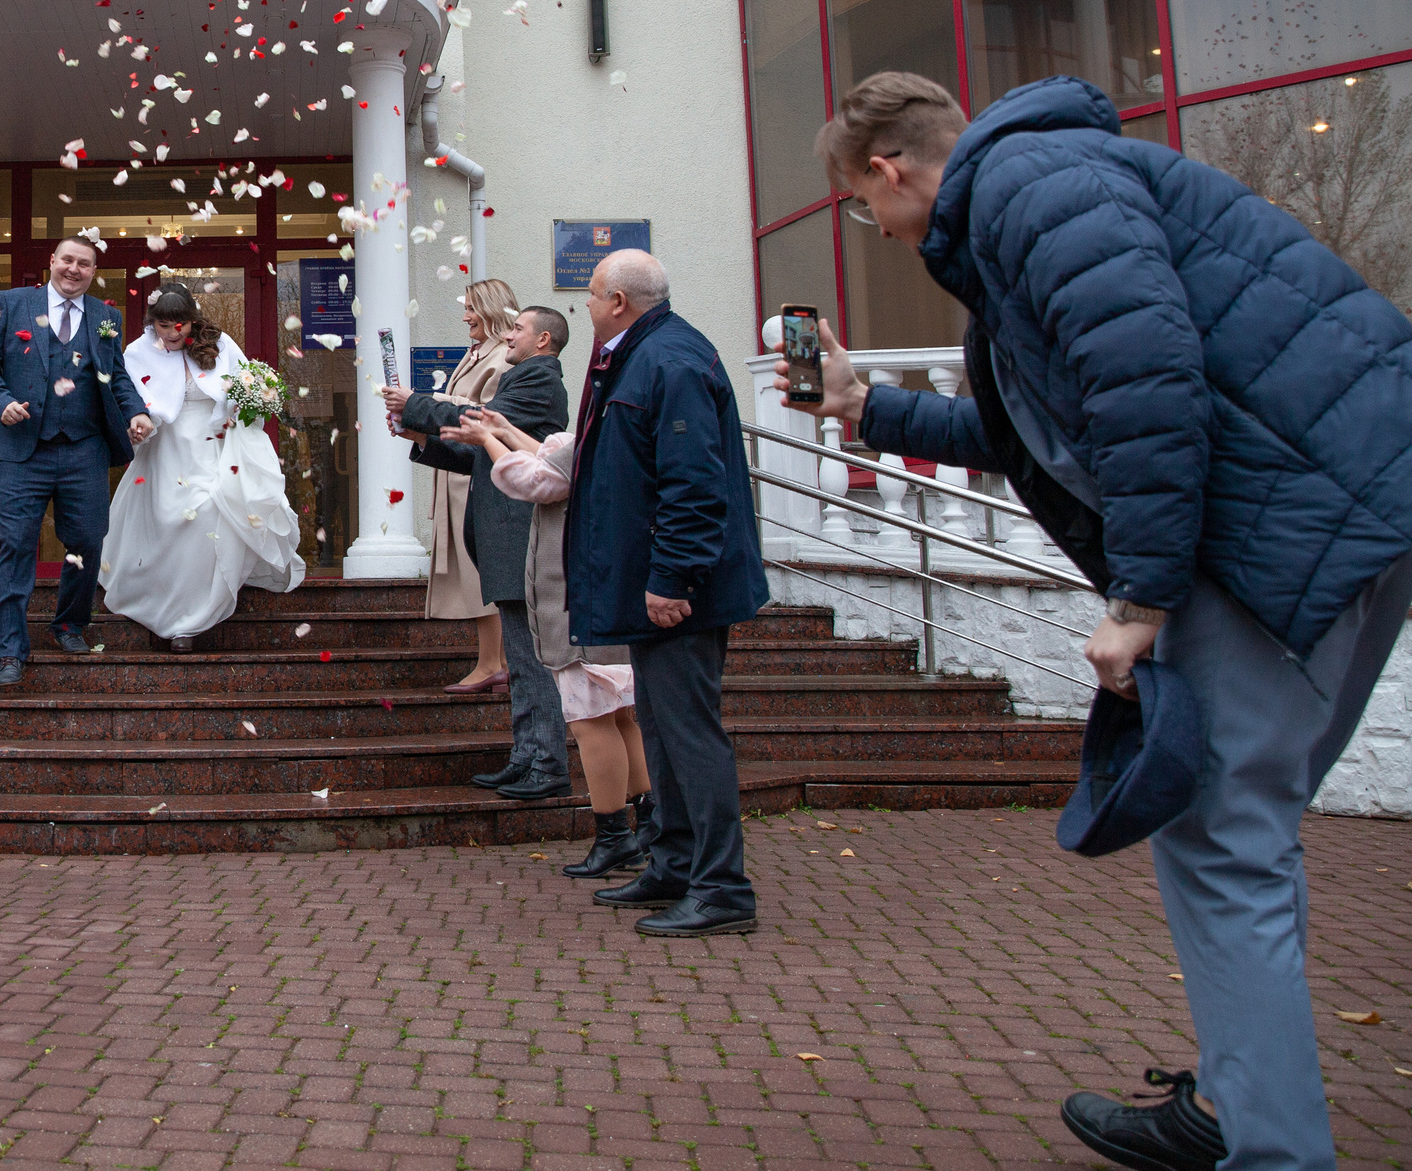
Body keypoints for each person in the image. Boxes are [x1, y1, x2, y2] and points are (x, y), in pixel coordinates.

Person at [779, 72, 1412, 1171]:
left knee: (1218, 837)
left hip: (1282, 525)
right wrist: (866, 408)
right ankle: (1228, 1102)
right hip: (1334, 506)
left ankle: (1268, 1147)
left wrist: (1143, 599)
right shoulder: (1043, 188)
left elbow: (1143, 384)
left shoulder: (1026, 185)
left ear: (887, 169)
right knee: (1243, 829)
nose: (872, 229)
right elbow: (1054, 423)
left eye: (859, 205)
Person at [566, 249, 766, 937]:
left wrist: (671, 577)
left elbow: (693, 483)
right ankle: (675, 864)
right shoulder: (642, 355)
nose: (585, 306)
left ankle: (722, 887)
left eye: (590, 295)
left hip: (682, 593)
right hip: (657, 588)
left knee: (688, 735)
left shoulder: (670, 360)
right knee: (662, 727)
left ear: (619, 301)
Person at [385, 306, 572, 797]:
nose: (508, 336)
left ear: (543, 340)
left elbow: (486, 423)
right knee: (519, 655)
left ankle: (547, 764)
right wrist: (421, 436)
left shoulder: (539, 380)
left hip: (520, 536)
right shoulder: (524, 377)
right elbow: (479, 452)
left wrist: (416, 403)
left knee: (532, 659)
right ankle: (525, 755)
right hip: (507, 538)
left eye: (518, 329)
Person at [468, 411, 653, 877]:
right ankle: (652, 826)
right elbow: (554, 456)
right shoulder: (619, 437)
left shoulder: (606, 431)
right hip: (607, 600)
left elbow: (532, 479)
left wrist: (488, 438)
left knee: (592, 721)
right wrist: (506, 429)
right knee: (621, 718)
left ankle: (614, 837)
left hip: (581, 607)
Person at [0, 235, 156, 686]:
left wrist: (137, 412)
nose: (74, 269)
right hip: (22, 450)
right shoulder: (11, 302)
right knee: (17, 544)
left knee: (88, 542)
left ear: (94, 272)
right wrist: (0, 402)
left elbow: (117, 378)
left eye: (84, 264)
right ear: (52, 262)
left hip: (84, 448)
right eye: (67, 260)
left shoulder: (106, 317)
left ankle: (71, 625)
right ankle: (10, 651)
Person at [98, 283, 305, 649]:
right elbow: (127, 395)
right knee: (166, 522)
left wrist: (248, 400)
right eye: (164, 326)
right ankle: (164, 607)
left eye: (181, 325)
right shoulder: (137, 351)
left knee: (210, 515)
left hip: (215, 447)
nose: (174, 333)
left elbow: (245, 383)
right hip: (165, 448)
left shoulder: (220, 343)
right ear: (153, 323)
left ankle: (191, 621)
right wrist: (138, 421)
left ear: (192, 321)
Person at [420, 280, 523, 691]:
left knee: (480, 571)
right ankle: (493, 661)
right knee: (469, 571)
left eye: (472, 310)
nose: (465, 317)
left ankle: (491, 664)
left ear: (493, 310)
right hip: (457, 474)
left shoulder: (503, 357)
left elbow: (490, 416)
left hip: (475, 478)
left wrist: (427, 406)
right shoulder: (478, 352)